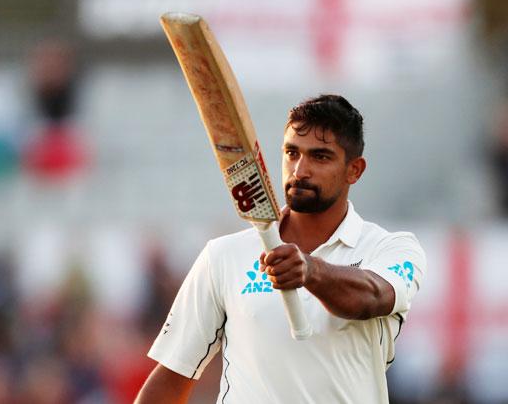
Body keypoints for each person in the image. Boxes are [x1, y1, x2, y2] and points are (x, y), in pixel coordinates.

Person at [135, 95, 427, 403]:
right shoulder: (223, 256)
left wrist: (310, 271)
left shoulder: (392, 249)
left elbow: (373, 297)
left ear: (354, 170)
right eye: (292, 153)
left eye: (321, 157)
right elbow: (170, 381)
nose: (300, 170)